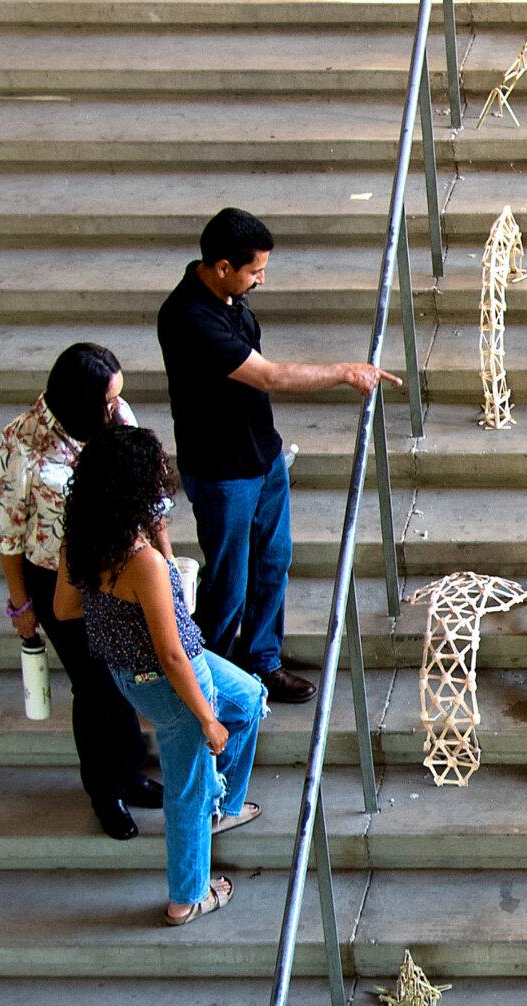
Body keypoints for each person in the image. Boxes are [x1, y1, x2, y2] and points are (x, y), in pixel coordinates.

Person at [157, 206, 400, 707]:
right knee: (229, 582)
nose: (262, 279)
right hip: (221, 472)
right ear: (223, 266)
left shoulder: (229, 297)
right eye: (255, 271)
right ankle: (209, 680)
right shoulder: (189, 316)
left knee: (273, 562)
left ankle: (262, 662)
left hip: (261, 456)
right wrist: (345, 372)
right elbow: (269, 376)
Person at [55, 425, 266, 927]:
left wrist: (119, 609)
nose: (161, 486)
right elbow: (172, 655)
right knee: (188, 784)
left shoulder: (83, 537)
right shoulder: (140, 562)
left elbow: (64, 607)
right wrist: (206, 719)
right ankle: (187, 897)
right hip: (172, 677)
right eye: (154, 479)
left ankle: (222, 808)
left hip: (136, 670)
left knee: (248, 697)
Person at [0, 342, 167, 840]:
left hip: (122, 567)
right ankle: (104, 788)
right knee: (94, 685)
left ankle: (131, 773)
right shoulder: (20, 443)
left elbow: (148, 492)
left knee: (124, 671)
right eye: (108, 400)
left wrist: (166, 560)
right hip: (57, 577)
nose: (118, 407)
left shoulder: (116, 416)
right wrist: (21, 606)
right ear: (81, 400)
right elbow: (8, 535)